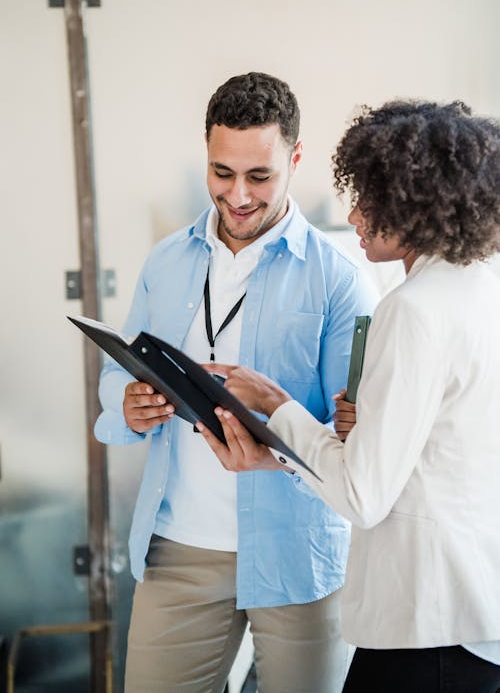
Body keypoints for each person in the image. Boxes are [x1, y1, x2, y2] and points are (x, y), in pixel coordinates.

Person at [197, 100, 500, 693]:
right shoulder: (481, 289)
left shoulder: (412, 310)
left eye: (370, 199)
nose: (355, 215)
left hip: (425, 627)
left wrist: (274, 404)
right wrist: (302, 446)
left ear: (417, 206)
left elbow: (363, 495)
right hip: (476, 616)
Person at [94, 71, 376, 693]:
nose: (239, 195)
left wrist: (277, 446)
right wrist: (128, 402)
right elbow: (115, 375)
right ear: (206, 153)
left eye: (260, 176)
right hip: (180, 552)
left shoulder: (340, 279)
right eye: (222, 173)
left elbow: (355, 437)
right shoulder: (166, 262)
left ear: (295, 159)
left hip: (299, 554)